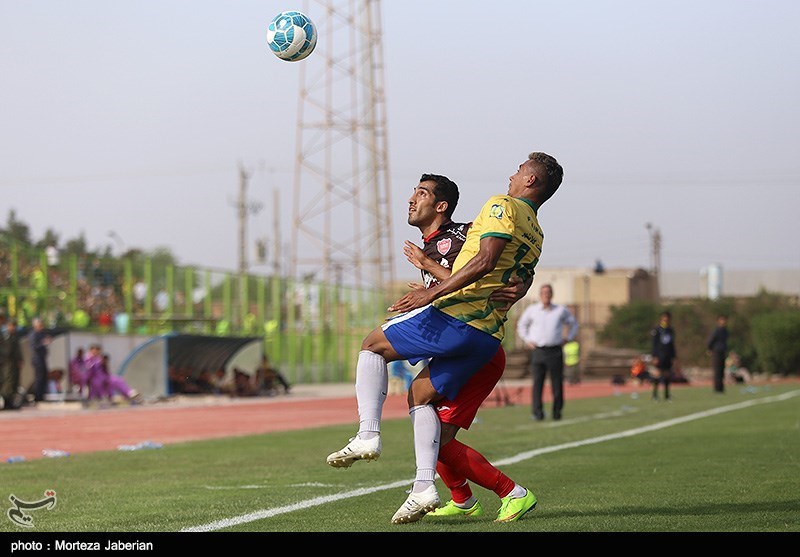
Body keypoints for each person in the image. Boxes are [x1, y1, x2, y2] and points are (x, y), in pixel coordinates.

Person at [325, 151, 563, 524]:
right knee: (423, 406)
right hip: (486, 333)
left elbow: (484, 261)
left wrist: (430, 288)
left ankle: (369, 435)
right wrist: (520, 288)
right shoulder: (536, 230)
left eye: (420, 193)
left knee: (373, 346)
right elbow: (517, 272)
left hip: (460, 319)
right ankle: (437, 491)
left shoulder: (497, 209)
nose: (511, 175)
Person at [398, 173, 533, 521]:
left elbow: (487, 268)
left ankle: (512, 492)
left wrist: (522, 283)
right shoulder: (431, 243)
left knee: (435, 434)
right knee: (427, 422)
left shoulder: (460, 235)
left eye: (421, 193)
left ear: (440, 206)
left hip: (477, 348)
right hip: (461, 345)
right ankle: (462, 500)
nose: (411, 199)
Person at [515, 284, 579, 420]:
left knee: (557, 383)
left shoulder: (560, 310)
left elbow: (573, 323)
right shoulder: (532, 310)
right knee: (537, 383)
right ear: (540, 295)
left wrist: (568, 337)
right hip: (538, 350)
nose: (546, 295)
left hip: (555, 350)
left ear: (552, 294)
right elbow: (521, 325)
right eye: (544, 292)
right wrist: (527, 340)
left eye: (548, 292)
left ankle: (557, 412)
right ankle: (537, 413)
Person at [650, 310, 677, 401]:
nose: (666, 319)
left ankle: (667, 395)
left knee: (667, 375)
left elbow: (672, 345)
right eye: (664, 317)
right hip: (659, 355)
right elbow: (654, 344)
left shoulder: (670, 330)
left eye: (667, 317)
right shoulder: (657, 330)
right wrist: (654, 356)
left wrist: (674, 357)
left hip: (668, 356)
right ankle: (655, 395)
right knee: (657, 374)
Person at [27, 317, 51, 403]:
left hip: (42, 358)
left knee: (44, 377)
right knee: (39, 378)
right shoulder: (33, 334)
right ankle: (37, 396)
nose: (41, 326)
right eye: (40, 325)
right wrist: (43, 343)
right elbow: (34, 347)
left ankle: (42, 395)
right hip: (37, 359)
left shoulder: (42, 334)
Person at [706, 314, 729, 394]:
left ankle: (721, 388)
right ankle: (717, 388)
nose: (723, 322)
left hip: (723, 351)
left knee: (722, 370)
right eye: (722, 320)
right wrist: (709, 349)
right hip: (716, 352)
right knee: (717, 370)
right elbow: (710, 340)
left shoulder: (725, 331)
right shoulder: (716, 331)